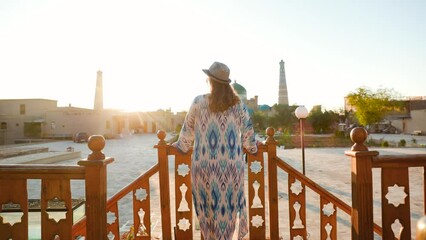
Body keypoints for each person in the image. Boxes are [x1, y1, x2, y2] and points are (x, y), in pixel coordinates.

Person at [173, 61, 258, 240]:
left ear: (210, 81)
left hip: (204, 167)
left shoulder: (199, 101)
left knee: (207, 212)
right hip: (231, 167)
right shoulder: (238, 104)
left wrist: (181, 146)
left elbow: (187, 132)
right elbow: (248, 133)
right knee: (227, 211)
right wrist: (251, 147)